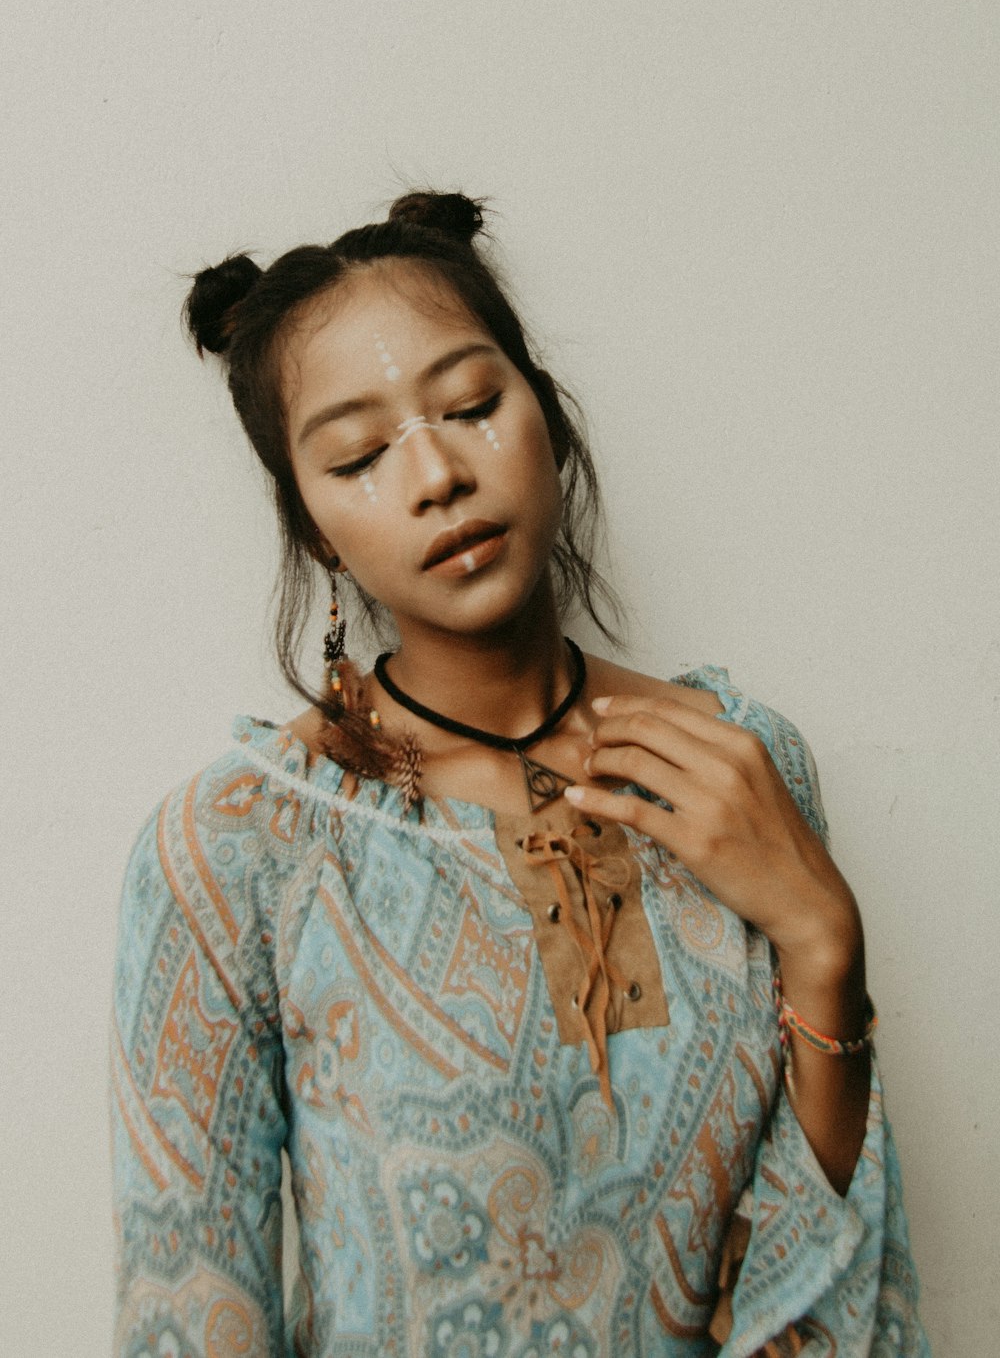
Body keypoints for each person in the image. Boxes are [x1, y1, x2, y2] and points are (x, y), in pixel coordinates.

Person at [110, 192, 927, 1356]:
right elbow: (187, 1320)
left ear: (546, 412)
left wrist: (822, 941)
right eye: (357, 455)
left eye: (472, 405)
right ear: (309, 526)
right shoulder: (240, 844)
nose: (435, 473)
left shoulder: (738, 763)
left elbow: (826, 1281)